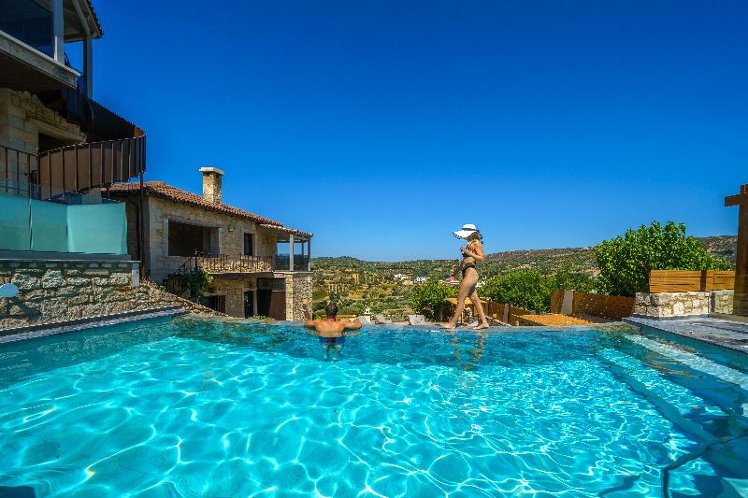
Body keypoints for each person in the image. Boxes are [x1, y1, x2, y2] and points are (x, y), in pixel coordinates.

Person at [442, 223, 490, 330]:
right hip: (467, 273)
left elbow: (482, 258)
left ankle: (452, 323)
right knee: (474, 299)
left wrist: (467, 251)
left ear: (471, 233)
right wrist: (454, 274)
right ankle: (484, 322)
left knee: (460, 299)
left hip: (471, 274)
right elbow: (464, 262)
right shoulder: (470, 244)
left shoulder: (476, 243)